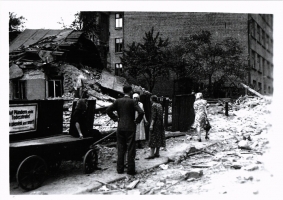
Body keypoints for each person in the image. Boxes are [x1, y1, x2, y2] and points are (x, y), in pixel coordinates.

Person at [106, 85, 144, 175]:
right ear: (130, 91)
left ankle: (120, 169)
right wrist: (137, 121)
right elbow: (141, 112)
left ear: (123, 92)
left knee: (120, 148)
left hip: (121, 127)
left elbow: (108, 110)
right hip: (131, 127)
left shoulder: (118, 101)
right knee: (130, 148)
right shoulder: (133, 102)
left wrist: (116, 119)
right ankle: (130, 170)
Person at [145, 95, 166, 159]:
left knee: (153, 138)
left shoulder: (153, 105)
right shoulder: (160, 105)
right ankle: (157, 153)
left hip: (155, 124)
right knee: (159, 137)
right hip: (160, 124)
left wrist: (151, 125)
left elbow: (154, 116)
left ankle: (151, 154)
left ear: (151, 99)